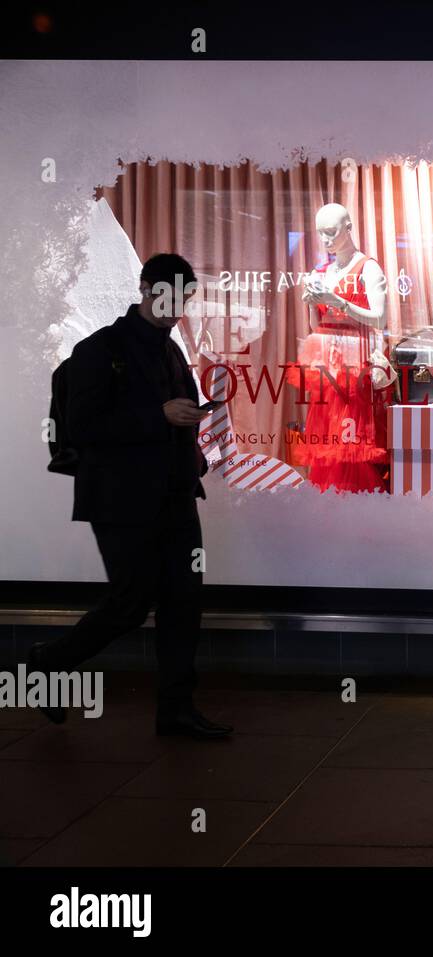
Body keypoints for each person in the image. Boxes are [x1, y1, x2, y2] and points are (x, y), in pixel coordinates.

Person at [28, 253, 233, 739]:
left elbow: (172, 415)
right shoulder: (100, 349)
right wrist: (160, 416)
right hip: (119, 500)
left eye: (183, 297)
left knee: (183, 601)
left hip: (175, 494)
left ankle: (176, 711)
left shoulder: (172, 353)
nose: (175, 306)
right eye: (167, 294)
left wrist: (192, 449)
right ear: (145, 290)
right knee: (130, 602)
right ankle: (47, 663)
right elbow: (84, 426)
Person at [292, 203, 395, 493]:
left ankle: (354, 506)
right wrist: (313, 302)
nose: (325, 241)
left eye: (331, 232)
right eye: (321, 235)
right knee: (328, 438)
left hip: (356, 362)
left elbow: (380, 318)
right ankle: (330, 509)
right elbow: (317, 326)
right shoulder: (321, 271)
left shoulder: (368, 268)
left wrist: (339, 301)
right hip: (328, 362)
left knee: (350, 437)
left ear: (349, 227)